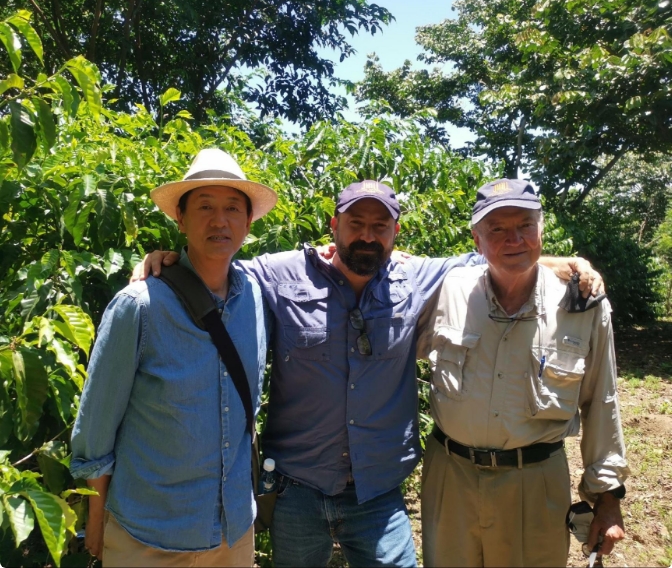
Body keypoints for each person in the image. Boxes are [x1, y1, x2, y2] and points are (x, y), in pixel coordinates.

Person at [137, 179, 604, 567]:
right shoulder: (279, 275)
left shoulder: (419, 278)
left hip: (377, 493)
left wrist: (565, 264)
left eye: (379, 227)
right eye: (355, 224)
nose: (367, 236)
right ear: (333, 226)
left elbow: (497, 257)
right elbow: (219, 270)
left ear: (395, 232)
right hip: (298, 485)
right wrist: (167, 263)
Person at [70, 148, 277, 567]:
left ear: (249, 221)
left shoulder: (255, 296)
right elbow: (96, 427)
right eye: (204, 207)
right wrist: (96, 520)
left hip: (233, 531)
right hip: (150, 535)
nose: (219, 221)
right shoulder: (140, 306)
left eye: (233, 208)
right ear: (180, 218)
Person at [416, 178, 629, 567]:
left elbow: (603, 402)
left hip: (534, 482)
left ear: (541, 230)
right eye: (497, 229)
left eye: (524, 226)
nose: (514, 239)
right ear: (476, 240)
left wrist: (608, 500)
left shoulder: (583, 306)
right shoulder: (449, 288)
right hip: (450, 475)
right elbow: (384, 272)